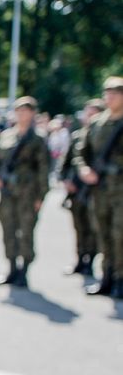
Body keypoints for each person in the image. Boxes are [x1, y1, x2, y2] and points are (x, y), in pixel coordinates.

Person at [0, 96, 50, 288]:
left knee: (26, 231)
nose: (22, 114)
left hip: (28, 193)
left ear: (33, 113)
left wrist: (41, 196)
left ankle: (25, 270)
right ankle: (12, 268)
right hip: (7, 193)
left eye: (26, 111)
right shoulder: (7, 136)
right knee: (9, 230)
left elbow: (43, 170)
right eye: (19, 111)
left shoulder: (37, 139)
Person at [76, 77, 123, 299]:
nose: (110, 98)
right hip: (100, 189)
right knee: (102, 232)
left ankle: (121, 280)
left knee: (120, 233)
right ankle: (107, 277)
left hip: (121, 189)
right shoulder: (96, 124)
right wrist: (85, 169)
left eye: (115, 93)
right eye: (108, 93)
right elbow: (81, 153)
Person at [63, 98, 103, 277]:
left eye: (93, 113)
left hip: (97, 189)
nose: (89, 117)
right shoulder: (77, 136)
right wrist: (66, 180)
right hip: (77, 189)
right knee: (79, 226)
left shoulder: (104, 136)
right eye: (88, 113)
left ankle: (92, 260)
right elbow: (66, 163)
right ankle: (80, 258)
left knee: (94, 227)